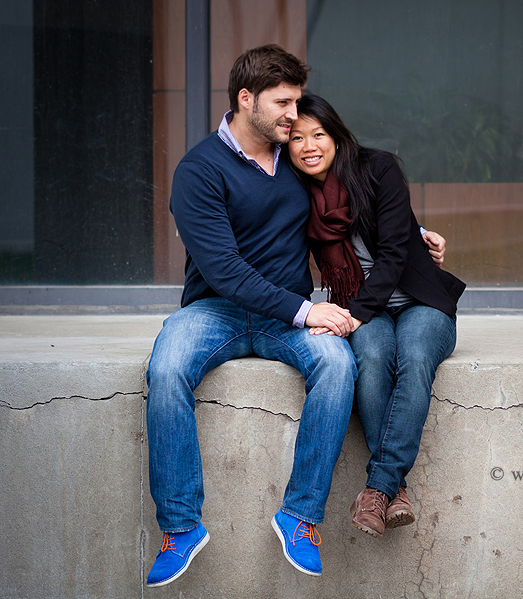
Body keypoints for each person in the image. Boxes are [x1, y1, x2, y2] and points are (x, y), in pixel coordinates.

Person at [144, 45, 360, 586]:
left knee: (338, 365)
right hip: (216, 310)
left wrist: (413, 235)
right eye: (283, 102)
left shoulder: (298, 158)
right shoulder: (199, 171)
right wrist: (308, 311)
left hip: (283, 316)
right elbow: (225, 271)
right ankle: (181, 527)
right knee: (166, 368)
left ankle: (300, 517)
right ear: (247, 100)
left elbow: (358, 202)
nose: (295, 114)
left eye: (296, 101)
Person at [288, 93, 466, 539]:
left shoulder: (378, 167)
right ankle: (394, 490)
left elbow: (392, 249)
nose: (309, 145)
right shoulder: (294, 193)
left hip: (418, 301)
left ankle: (376, 487)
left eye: (318, 134)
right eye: (296, 137)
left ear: (336, 134)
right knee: (369, 363)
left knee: (415, 357)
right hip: (363, 308)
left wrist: (354, 315)